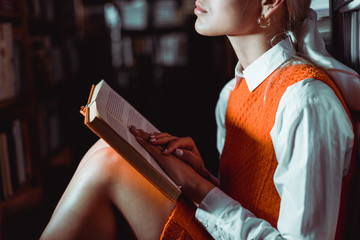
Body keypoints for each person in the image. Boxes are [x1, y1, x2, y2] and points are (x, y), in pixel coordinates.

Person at [40, 0, 359, 239]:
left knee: (107, 165)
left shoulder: (307, 103)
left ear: (269, 3)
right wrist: (205, 178)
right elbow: (256, 206)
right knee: (106, 151)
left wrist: (197, 188)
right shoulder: (232, 95)